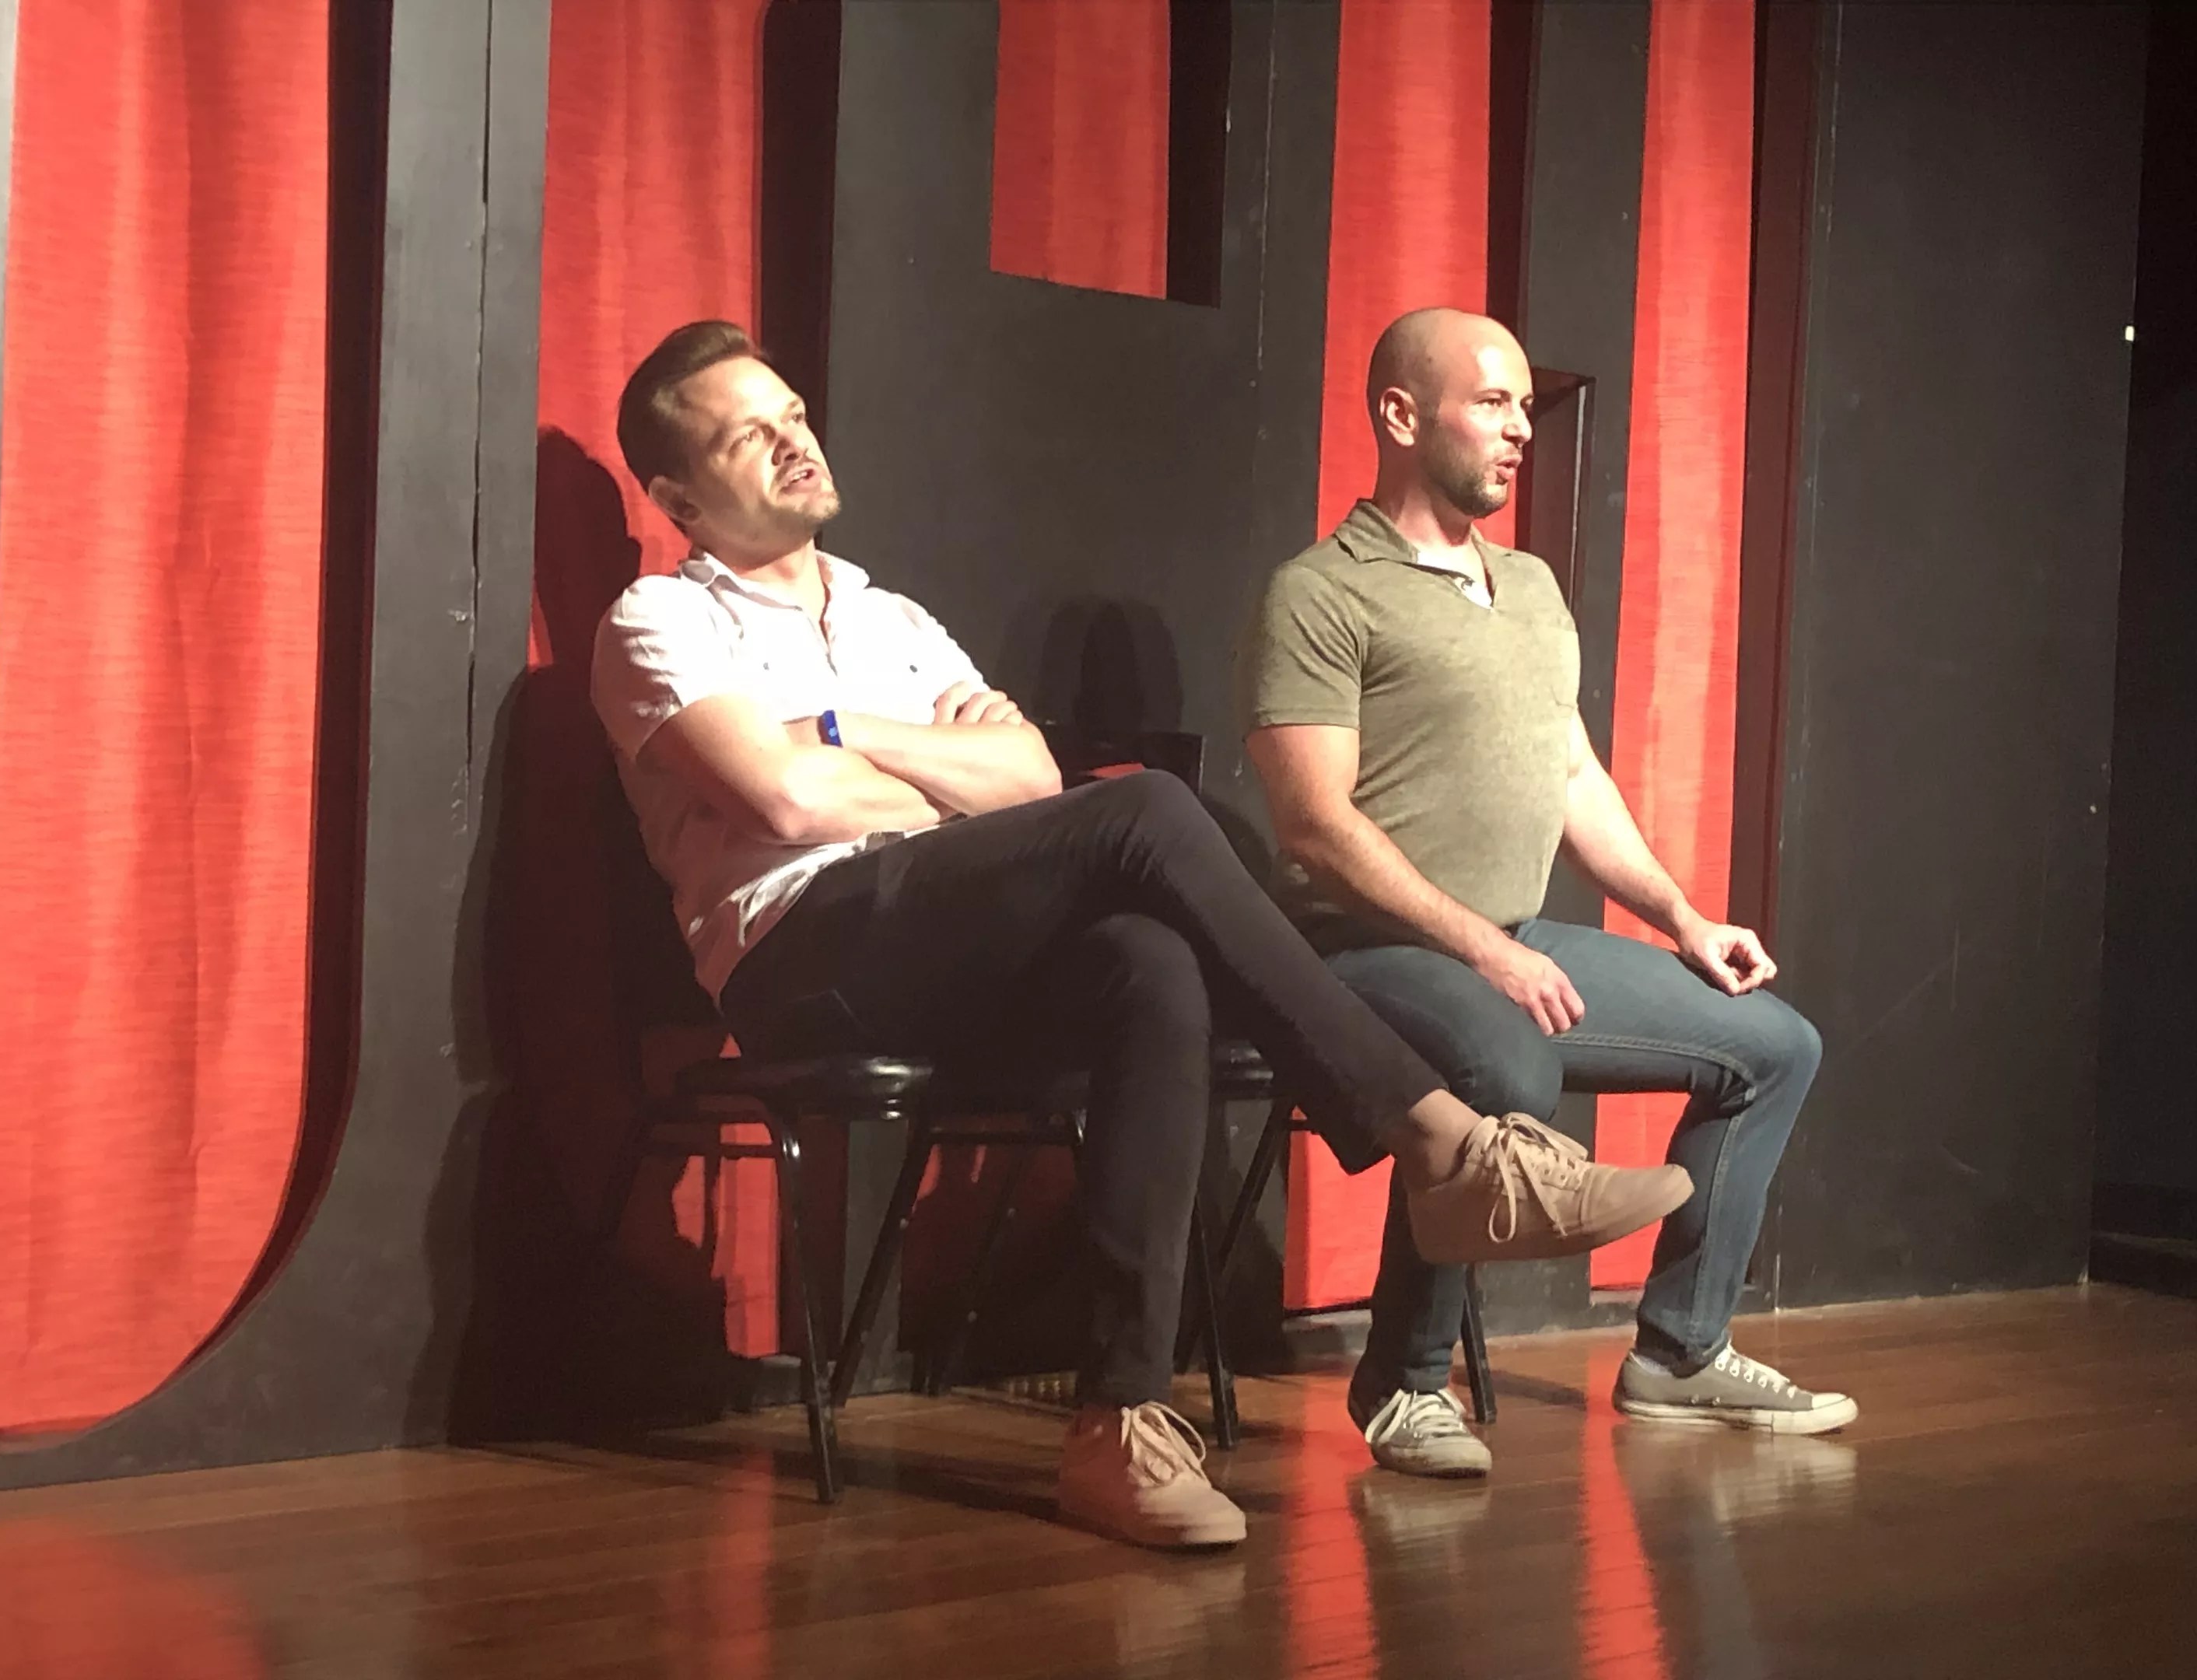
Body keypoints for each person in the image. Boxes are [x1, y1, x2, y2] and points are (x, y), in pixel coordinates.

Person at [590, 320, 1694, 1550]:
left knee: (1146, 964)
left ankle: (1117, 1423)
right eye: (750, 437)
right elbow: (787, 805)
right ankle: (1442, 1144)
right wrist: (936, 770)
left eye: (794, 414)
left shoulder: (888, 617)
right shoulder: (657, 621)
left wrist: (846, 731)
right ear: (678, 499)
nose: (795, 441)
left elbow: (1026, 777)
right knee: (1148, 812)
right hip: (801, 956)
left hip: (939, 936)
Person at [1239, 308, 1854, 1483]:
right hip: (1355, 953)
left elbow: (1574, 777)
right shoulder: (1320, 593)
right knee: (1506, 1066)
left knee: (1775, 1046)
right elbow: (1315, 826)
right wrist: (1484, 953)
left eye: (1525, 405)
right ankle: (1406, 1384)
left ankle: (1679, 1351)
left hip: (1506, 941)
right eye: (1492, 402)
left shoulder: (1526, 586)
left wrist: (1682, 918)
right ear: (1401, 415)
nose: (1521, 428)